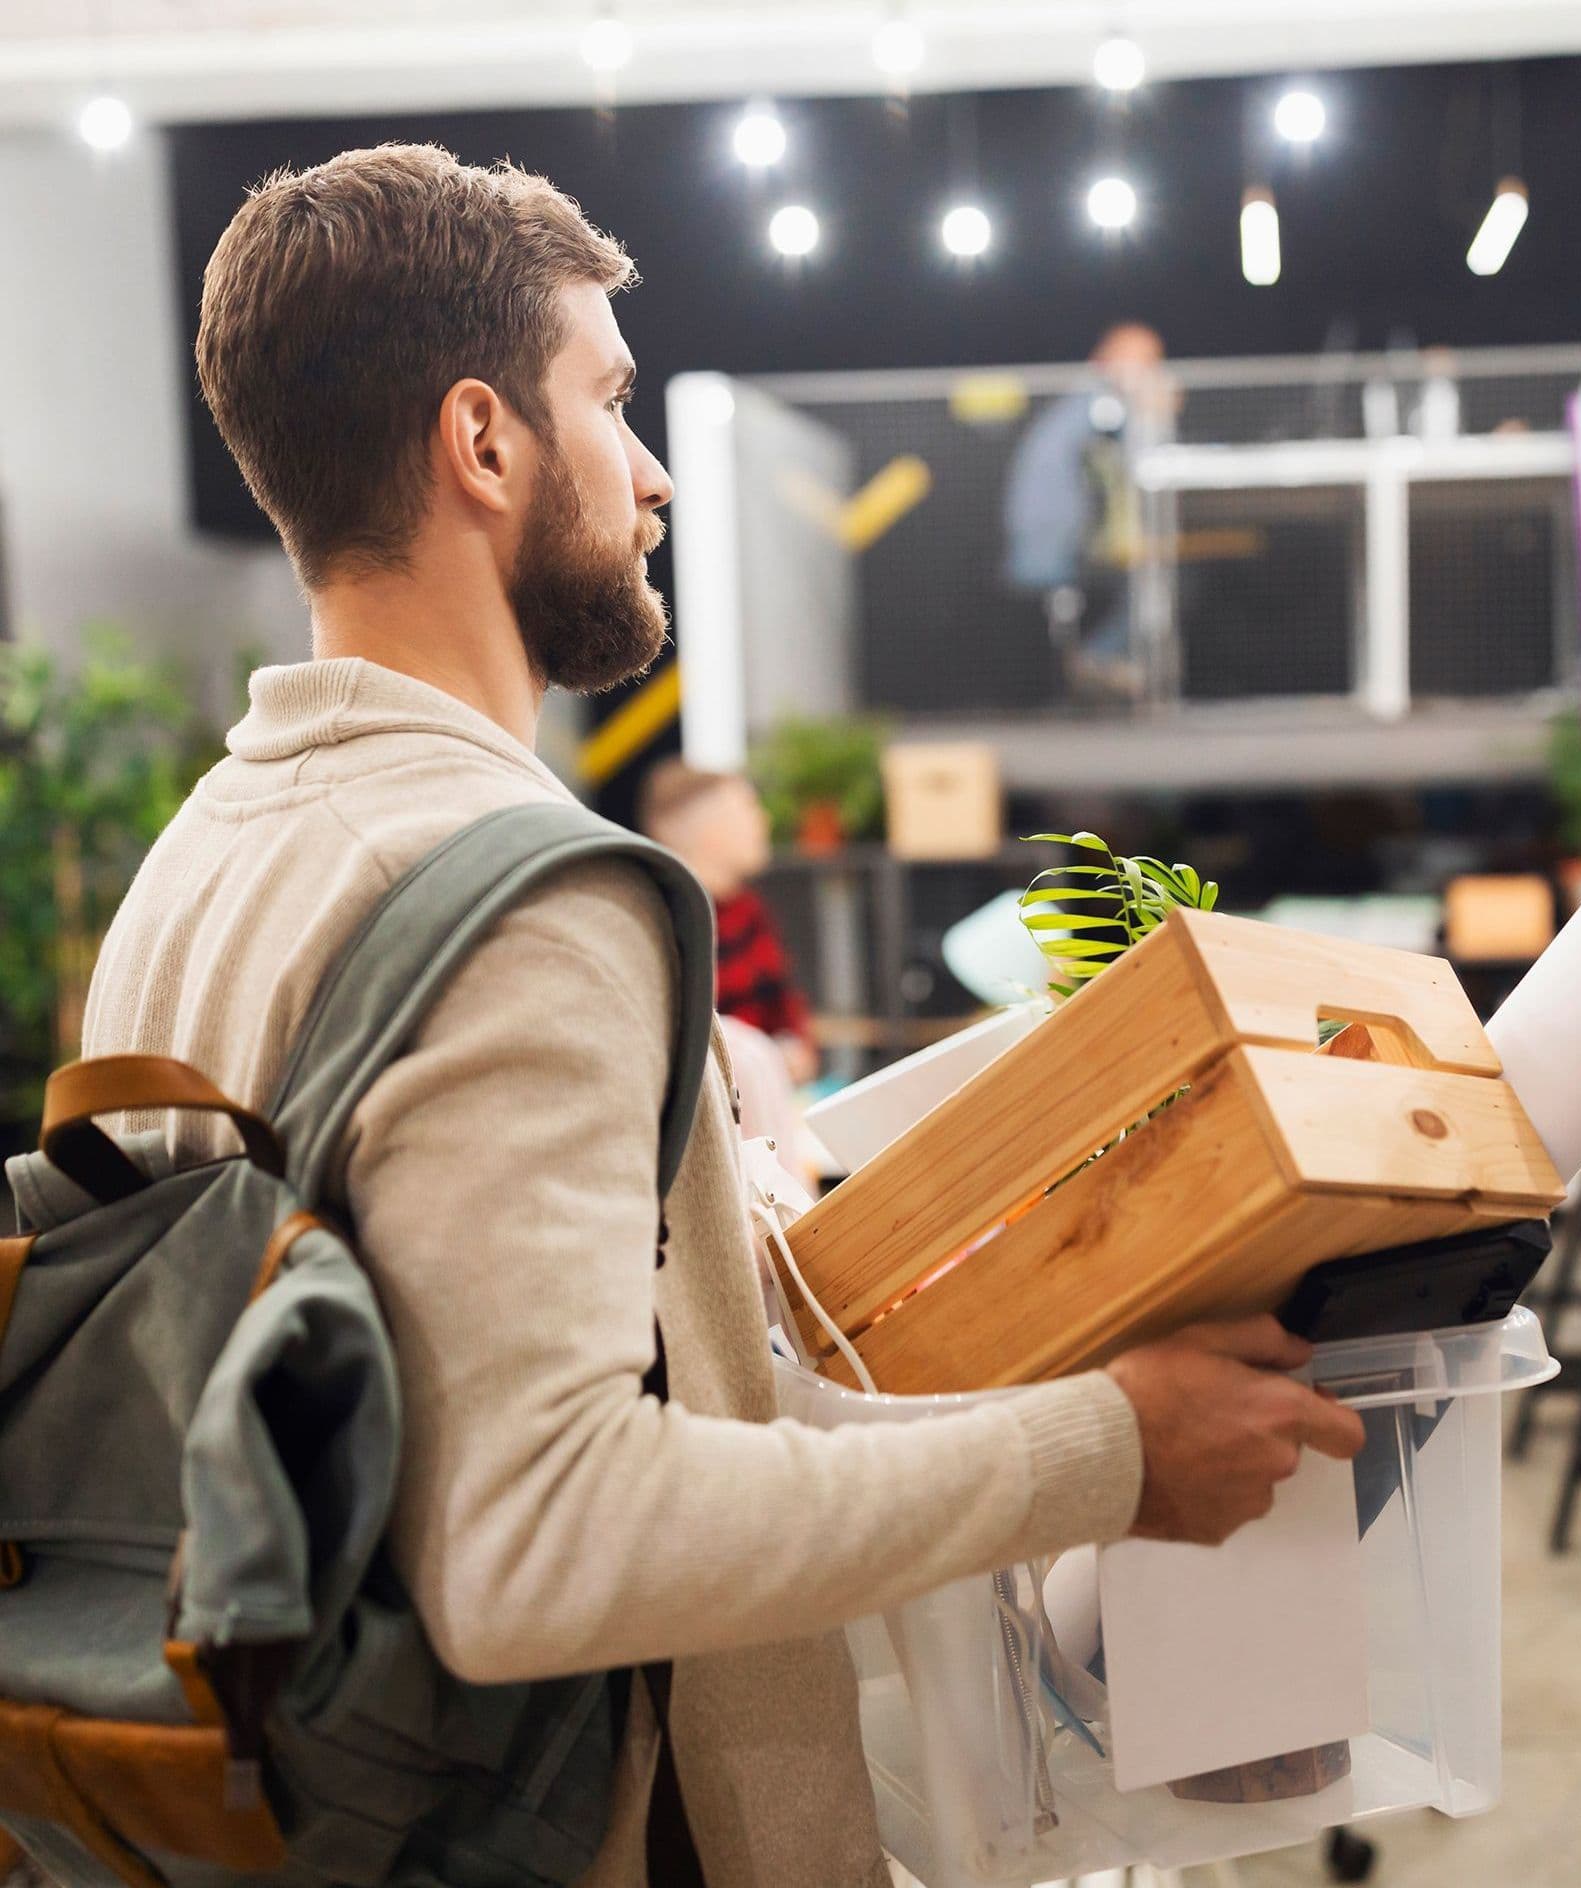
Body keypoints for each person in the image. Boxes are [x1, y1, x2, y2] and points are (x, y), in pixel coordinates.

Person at [79, 146, 1364, 1888]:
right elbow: (538, 1538)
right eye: (608, 397)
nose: (655, 472)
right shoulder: (522, 896)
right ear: (482, 443)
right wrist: (1108, 1445)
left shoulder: (207, 852)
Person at [1001, 321, 1175, 695]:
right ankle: (1099, 660)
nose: (1153, 371)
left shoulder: (1087, 400)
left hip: (1062, 537)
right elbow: (1141, 457)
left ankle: (1105, 663)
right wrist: (1156, 412)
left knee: (1153, 576)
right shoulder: (1101, 403)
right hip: (1057, 543)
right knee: (1157, 581)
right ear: (1112, 360)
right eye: (1146, 362)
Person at [637, 758, 819, 1085]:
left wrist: (791, 1052)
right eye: (748, 808)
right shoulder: (659, 923)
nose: (765, 819)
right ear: (711, 831)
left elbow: (789, 1019)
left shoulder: (748, 910)